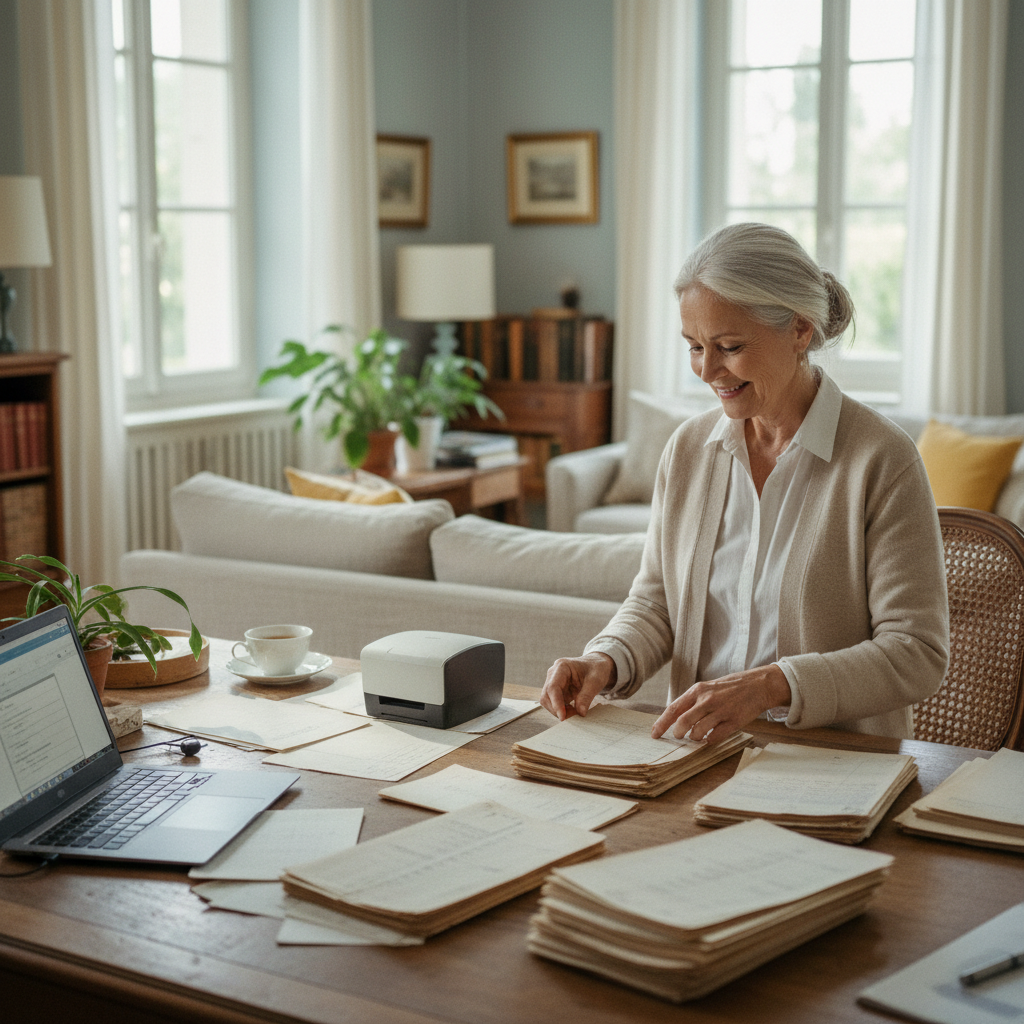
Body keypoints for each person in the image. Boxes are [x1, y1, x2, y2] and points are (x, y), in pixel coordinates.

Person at [541, 222, 949, 743]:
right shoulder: (688, 450)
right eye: (693, 346)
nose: (708, 370)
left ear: (800, 330)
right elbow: (658, 601)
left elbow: (917, 652)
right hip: (695, 752)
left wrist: (771, 686)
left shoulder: (883, 460)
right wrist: (605, 657)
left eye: (729, 346)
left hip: (832, 761)